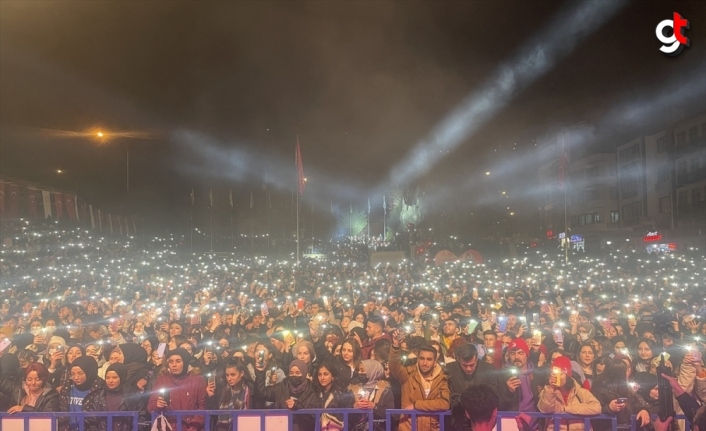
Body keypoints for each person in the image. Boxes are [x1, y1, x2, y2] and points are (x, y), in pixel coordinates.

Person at [390, 329, 450, 431]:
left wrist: (416, 405)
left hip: (432, 427)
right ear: (417, 359)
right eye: (422, 358)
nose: (425, 363)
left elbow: (444, 403)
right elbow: (394, 367)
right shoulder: (407, 374)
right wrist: (396, 346)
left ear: (435, 362)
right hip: (408, 426)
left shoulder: (442, 378)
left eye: (429, 359)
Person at [148, 348, 207, 431]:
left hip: (192, 427)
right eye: (171, 362)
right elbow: (150, 406)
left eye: (178, 361)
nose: (174, 365)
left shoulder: (198, 380)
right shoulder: (162, 379)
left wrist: (193, 427)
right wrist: (157, 405)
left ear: (185, 362)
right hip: (168, 427)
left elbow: (202, 407)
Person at [537, 356, 601, 431]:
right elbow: (546, 409)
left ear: (567, 375)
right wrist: (551, 388)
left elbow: (597, 408)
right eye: (554, 374)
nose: (557, 377)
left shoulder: (580, 391)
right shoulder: (547, 391)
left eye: (561, 374)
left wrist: (566, 409)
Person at [254, 359, 318, 431]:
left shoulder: (312, 390)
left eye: (297, 373)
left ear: (304, 373)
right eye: (291, 373)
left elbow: (313, 416)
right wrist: (260, 372)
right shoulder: (281, 387)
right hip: (281, 427)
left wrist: (296, 406)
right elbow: (262, 393)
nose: (294, 375)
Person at [82, 362, 149, 431]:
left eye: (114, 377)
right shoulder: (99, 397)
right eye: (107, 378)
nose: (110, 381)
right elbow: (93, 421)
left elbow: (141, 418)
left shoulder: (134, 395)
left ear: (122, 377)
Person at [591, 357, 652, 431]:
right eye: (626, 370)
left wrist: (643, 410)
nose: (628, 372)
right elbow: (593, 411)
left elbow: (636, 404)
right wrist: (609, 408)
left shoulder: (627, 389)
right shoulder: (598, 390)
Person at [499, 338, 542, 431]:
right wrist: (509, 392)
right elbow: (498, 404)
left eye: (520, 353)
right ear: (509, 356)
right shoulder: (502, 374)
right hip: (512, 425)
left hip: (534, 425)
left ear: (527, 355)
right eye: (513, 353)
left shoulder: (537, 374)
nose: (516, 356)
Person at [207, 358, 254, 431]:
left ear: (241, 373)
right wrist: (211, 396)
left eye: (233, 375)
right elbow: (215, 413)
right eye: (227, 375)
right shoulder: (222, 389)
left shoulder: (250, 390)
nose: (229, 378)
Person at [59, 355, 104, 431]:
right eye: (72, 374)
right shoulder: (67, 387)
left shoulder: (101, 388)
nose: (76, 377)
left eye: (80, 373)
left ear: (89, 372)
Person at [350, 359, 394, 431]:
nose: (359, 373)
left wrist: (374, 407)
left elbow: (390, 414)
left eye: (362, 370)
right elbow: (344, 414)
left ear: (372, 371)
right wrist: (353, 407)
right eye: (359, 370)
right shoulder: (354, 389)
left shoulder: (385, 390)